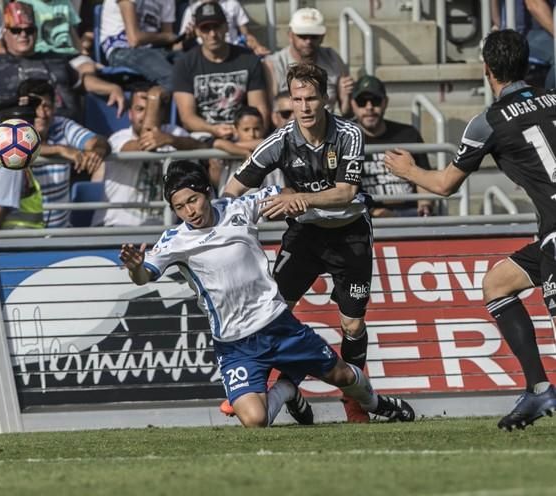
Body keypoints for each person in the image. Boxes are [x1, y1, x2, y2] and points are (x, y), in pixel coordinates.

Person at [119, 160, 415, 427]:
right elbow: (144, 276)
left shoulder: (237, 209)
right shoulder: (174, 241)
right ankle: (287, 389)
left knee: (344, 377)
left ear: (207, 191)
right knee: (255, 421)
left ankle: (375, 404)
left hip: (278, 326)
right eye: (179, 207)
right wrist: (135, 268)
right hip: (235, 344)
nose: (189, 211)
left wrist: (292, 200)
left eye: (192, 200)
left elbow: (282, 192)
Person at [384, 29, 556, 431]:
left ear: (486, 69)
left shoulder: (488, 122)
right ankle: (537, 389)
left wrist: (409, 171)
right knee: (497, 284)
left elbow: (445, 186)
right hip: (549, 235)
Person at [223, 63, 373, 424]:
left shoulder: (349, 134)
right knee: (273, 312)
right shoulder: (281, 140)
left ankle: (352, 399)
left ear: (326, 99)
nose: (304, 107)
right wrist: (226, 225)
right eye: (296, 99)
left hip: (349, 233)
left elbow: (347, 193)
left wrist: (301, 197)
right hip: (305, 235)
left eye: (311, 98)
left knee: (352, 326)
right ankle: (267, 390)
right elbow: (233, 188)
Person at [0, 2, 124, 127]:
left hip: (66, 133)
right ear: (5, 33)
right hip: (18, 141)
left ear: (36, 32)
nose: (23, 35)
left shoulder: (54, 59)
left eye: (29, 30)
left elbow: (81, 81)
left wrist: (111, 87)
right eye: (16, 30)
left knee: (101, 147)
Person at [92, 86, 203, 227]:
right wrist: (154, 99)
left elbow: (202, 147)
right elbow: (145, 142)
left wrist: (171, 140)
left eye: (151, 109)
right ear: (130, 113)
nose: (145, 116)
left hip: (162, 232)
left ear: (162, 113)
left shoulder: (173, 133)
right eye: (140, 109)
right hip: (115, 229)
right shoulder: (119, 138)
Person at [19, 78, 110, 228]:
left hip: (61, 232)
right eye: (35, 107)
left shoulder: (62, 124)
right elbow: (20, 148)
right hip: (24, 234)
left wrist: (98, 150)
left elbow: (98, 141)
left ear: (54, 108)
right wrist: (60, 150)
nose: (41, 113)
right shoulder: (12, 128)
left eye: (46, 106)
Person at [172, 1, 269, 140]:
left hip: (243, 135)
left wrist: (243, 134)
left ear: (226, 27)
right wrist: (213, 130)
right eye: (205, 28)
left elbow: (260, 109)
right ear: (197, 31)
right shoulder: (185, 64)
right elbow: (187, 117)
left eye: (216, 27)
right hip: (203, 136)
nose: (212, 34)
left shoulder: (248, 60)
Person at [351, 75, 433, 218]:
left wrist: (425, 205)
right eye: (362, 102)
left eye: (375, 101)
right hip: (367, 216)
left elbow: (424, 178)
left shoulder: (408, 134)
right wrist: (374, 212)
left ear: (385, 102)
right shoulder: (346, 138)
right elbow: (345, 190)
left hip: (411, 214)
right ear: (353, 105)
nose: (369, 107)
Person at [264, 8, 352, 116]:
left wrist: (345, 98)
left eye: (314, 36)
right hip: (290, 127)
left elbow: (346, 110)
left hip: (331, 125)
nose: (308, 41)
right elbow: (271, 112)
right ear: (290, 36)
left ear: (322, 37)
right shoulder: (275, 64)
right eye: (302, 36)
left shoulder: (332, 57)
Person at [100, 0, 178, 91]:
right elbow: (134, 40)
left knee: (191, 68)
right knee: (172, 77)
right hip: (122, 49)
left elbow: (169, 38)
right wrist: (167, 37)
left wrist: (182, 40)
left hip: (153, 50)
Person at [210, 105, 285, 196]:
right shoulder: (226, 152)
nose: (252, 134)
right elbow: (218, 143)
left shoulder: (269, 145)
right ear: (236, 130)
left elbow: (260, 142)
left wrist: (232, 147)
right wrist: (245, 153)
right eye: (246, 129)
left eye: (256, 129)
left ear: (263, 128)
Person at [18, 0, 98, 74]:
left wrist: (83, 53)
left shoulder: (65, 2)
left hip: (68, 55)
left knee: (88, 67)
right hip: (40, 56)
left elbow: (72, 31)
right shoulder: (23, 4)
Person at [178, 0, 270, 57]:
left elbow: (246, 35)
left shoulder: (232, 4)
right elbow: (178, 45)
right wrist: (188, 38)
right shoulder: (191, 10)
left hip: (233, 50)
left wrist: (257, 46)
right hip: (204, 53)